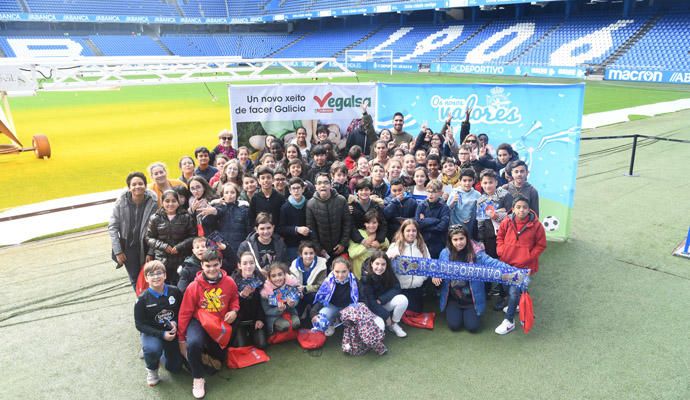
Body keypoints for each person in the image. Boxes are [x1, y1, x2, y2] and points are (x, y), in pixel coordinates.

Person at [177, 250, 240, 399]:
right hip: (198, 321)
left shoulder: (229, 282)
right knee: (193, 343)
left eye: (215, 265)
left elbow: (234, 299)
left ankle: (203, 358)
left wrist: (234, 311)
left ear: (220, 264)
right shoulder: (193, 286)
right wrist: (181, 339)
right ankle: (197, 377)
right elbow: (185, 312)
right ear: (201, 266)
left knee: (216, 365)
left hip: (219, 323)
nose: (212, 269)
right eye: (208, 266)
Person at [433, 225, 512, 333]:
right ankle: (454, 310)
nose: (459, 242)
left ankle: (471, 312)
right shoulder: (445, 253)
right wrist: (435, 275)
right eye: (455, 239)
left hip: (472, 299)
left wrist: (512, 270)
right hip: (453, 299)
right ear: (450, 241)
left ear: (467, 238)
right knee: (454, 326)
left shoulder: (477, 254)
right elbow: (437, 268)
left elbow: (493, 263)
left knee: (472, 327)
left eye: (461, 238)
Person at [495, 196, 546, 335]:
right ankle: (519, 304)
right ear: (513, 208)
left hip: (524, 266)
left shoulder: (537, 226)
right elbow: (500, 237)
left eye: (524, 207)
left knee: (513, 291)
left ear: (529, 209)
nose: (521, 210)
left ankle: (509, 321)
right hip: (507, 263)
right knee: (507, 288)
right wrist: (501, 251)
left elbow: (541, 245)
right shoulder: (506, 221)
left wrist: (529, 256)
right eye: (518, 207)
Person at [134, 260, 183, 386]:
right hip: (152, 332)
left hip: (171, 332)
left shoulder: (175, 291)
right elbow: (139, 325)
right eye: (151, 274)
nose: (156, 277)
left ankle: (158, 354)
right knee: (152, 349)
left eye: (159, 273)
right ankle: (152, 369)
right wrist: (161, 334)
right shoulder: (142, 299)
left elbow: (182, 312)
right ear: (146, 278)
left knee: (175, 368)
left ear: (165, 275)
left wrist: (176, 323)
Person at [109, 172, 158, 288]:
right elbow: (113, 226)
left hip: (146, 245)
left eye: (140, 184)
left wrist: (151, 252)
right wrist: (118, 251)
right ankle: (141, 302)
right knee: (135, 279)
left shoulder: (153, 203)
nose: (137, 187)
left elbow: (155, 229)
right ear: (129, 187)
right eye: (134, 184)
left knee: (151, 276)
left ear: (145, 186)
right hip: (128, 246)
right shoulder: (121, 202)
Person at [145, 190, 196, 285]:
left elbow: (193, 236)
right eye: (167, 201)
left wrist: (179, 247)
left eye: (173, 201)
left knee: (182, 287)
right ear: (162, 202)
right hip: (163, 260)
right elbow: (149, 238)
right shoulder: (155, 218)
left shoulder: (186, 217)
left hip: (182, 258)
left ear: (178, 202)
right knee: (166, 287)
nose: (170, 204)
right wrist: (164, 246)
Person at [360, 251, 408, 337]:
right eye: (377, 264)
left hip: (382, 303)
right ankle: (386, 322)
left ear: (387, 265)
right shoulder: (365, 278)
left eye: (383, 264)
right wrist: (386, 316)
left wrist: (382, 299)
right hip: (371, 309)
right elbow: (370, 303)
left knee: (402, 299)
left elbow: (397, 288)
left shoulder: (388, 272)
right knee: (380, 329)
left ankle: (393, 324)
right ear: (371, 263)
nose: (380, 267)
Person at [203, 182, 250, 268]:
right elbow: (208, 227)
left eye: (232, 192)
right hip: (222, 248)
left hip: (239, 247)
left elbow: (249, 229)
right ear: (222, 194)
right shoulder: (216, 208)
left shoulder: (244, 209)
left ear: (237, 194)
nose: (229, 195)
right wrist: (213, 213)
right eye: (226, 192)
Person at [386, 220, 430, 313]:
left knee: (415, 312)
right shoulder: (395, 246)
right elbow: (386, 266)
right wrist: (390, 259)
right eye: (408, 230)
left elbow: (428, 264)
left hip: (416, 288)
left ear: (417, 232)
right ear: (403, 232)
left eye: (414, 231)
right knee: (401, 313)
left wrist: (422, 279)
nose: (411, 233)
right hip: (401, 288)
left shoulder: (422, 246)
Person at [306, 173, 352, 260]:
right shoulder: (310, 204)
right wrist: (319, 249)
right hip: (322, 251)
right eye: (319, 183)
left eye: (326, 182)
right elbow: (311, 229)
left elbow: (347, 223)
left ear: (330, 185)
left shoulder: (341, 200)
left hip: (341, 248)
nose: (323, 185)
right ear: (315, 186)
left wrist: (343, 243)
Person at [311, 257, 360, 336]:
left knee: (354, 324)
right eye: (337, 271)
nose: (340, 275)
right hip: (332, 306)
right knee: (320, 321)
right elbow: (321, 299)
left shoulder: (355, 281)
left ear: (349, 270)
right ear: (332, 270)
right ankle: (334, 321)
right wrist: (314, 314)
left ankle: (339, 321)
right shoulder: (328, 281)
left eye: (344, 271)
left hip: (348, 308)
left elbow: (361, 301)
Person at [230, 252, 267, 348]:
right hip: (239, 321)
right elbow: (230, 305)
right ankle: (243, 334)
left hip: (255, 319)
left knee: (262, 345)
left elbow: (262, 303)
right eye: (245, 263)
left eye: (251, 263)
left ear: (255, 264)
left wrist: (260, 319)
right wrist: (242, 297)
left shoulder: (260, 279)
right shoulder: (232, 281)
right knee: (241, 346)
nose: (249, 266)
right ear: (239, 265)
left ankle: (252, 334)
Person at [289, 241, 327, 323]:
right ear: (300, 254)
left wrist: (305, 288)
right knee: (295, 300)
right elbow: (291, 282)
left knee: (315, 297)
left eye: (311, 253)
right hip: (299, 292)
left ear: (315, 253)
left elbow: (322, 285)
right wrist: (298, 289)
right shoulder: (294, 264)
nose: (308, 256)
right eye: (305, 253)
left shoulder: (322, 265)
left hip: (313, 292)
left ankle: (314, 314)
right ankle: (299, 314)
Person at [260, 262, 301, 335]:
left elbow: (296, 299)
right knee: (285, 325)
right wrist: (278, 309)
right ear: (269, 278)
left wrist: (292, 303)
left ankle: (290, 333)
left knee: (296, 323)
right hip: (274, 317)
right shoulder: (265, 291)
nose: (277, 278)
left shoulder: (290, 284)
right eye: (273, 276)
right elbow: (267, 311)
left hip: (290, 312)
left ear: (284, 275)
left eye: (280, 274)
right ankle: (275, 333)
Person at [348, 209, 389, 279]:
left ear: (378, 224)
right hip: (359, 276)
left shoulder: (380, 236)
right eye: (368, 223)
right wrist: (366, 245)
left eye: (374, 223)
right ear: (364, 223)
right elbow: (352, 254)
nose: (371, 225)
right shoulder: (358, 234)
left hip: (374, 276)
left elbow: (387, 245)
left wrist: (379, 246)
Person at [415, 180, 450, 258]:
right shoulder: (421, 205)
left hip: (438, 242)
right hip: (423, 241)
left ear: (440, 193)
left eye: (434, 192)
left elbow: (442, 226)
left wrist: (425, 222)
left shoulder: (444, 207)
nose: (430, 194)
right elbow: (418, 224)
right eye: (428, 191)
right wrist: (435, 220)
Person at [279, 177, 310, 260]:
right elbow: (281, 228)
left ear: (303, 189)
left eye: (298, 188)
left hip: (307, 244)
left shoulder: (309, 204)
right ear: (289, 190)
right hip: (291, 245)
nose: (296, 191)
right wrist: (296, 229)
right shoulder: (285, 207)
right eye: (293, 188)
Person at [350, 179, 387, 246]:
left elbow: (383, 224)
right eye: (361, 190)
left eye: (366, 190)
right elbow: (351, 226)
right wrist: (361, 240)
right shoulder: (352, 207)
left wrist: (379, 240)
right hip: (358, 239)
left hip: (374, 236)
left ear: (371, 191)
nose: (364, 192)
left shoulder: (376, 206)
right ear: (357, 192)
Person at [448, 168, 480, 235]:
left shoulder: (477, 194)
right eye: (464, 180)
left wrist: (471, 218)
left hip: (469, 226)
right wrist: (453, 201)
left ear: (473, 181)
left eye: (470, 180)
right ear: (460, 181)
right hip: (455, 226)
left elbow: (479, 211)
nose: (467, 183)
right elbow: (447, 209)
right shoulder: (455, 192)